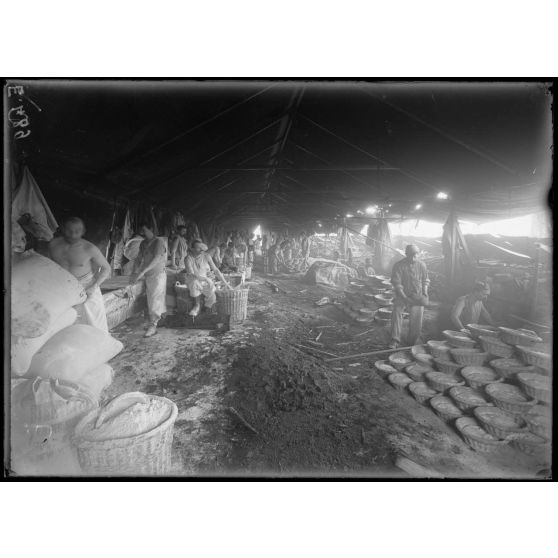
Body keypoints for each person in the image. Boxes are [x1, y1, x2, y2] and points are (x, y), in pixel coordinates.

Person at [49, 216, 110, 332]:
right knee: (68, 325)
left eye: (77, 231)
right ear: (62, 229)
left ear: (83, 231)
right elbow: (51, 266)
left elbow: (106, 268)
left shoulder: (89, 248)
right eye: (69, 231)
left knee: (95, 325)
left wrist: (94, 287)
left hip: (87, 288)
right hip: (64, 289)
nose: (73, 235)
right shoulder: (53, 245)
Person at [129, 223, 167, 337]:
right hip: (148, 275)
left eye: (144, 230)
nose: (142, 233)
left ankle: (153, 326)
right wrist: (135, 271)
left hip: (157, 275)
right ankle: (156, 321)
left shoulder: (159, 242)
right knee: (152, 299)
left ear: (151, 229)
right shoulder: (143, 243)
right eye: (141, 230)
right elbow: (139, 258)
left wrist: (142, 272)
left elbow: (156, 259)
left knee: (154, 300)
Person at [389, 244, 430, 348]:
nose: (413, 258)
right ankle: (395, 339)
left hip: (417, 295)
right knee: (397, 311)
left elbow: (426, 280)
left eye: (415, 255)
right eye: (410, 255)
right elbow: (397, 284)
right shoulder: (398, 265)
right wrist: (405, 298)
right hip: (402, 295)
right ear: (406, 254)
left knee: (417, 315)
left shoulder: (422, 265)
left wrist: (425, 292)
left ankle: (411, 341)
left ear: (418, 254)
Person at [184, 239, 232, 316]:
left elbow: (216, 270)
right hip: (193, 280)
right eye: (198, 248)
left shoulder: (206, 256)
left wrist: (225, 282)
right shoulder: (188, 258)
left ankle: (205, 310)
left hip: (205, 281)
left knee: (212, 298)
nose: (201, 249)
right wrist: (206, 279)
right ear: (192, 249)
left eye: (201, 247)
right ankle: (197, 305)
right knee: (194, 282)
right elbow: (192, 274)